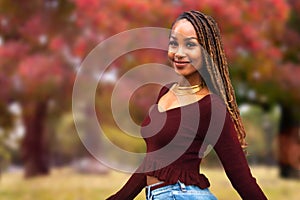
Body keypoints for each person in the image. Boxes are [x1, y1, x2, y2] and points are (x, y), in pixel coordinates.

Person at [107, 10, 267, 200]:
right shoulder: (166, 92)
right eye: (174, 43)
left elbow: (241, 177)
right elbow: (152, 162)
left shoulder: (211, 107)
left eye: (190, 45)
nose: (179, 53)